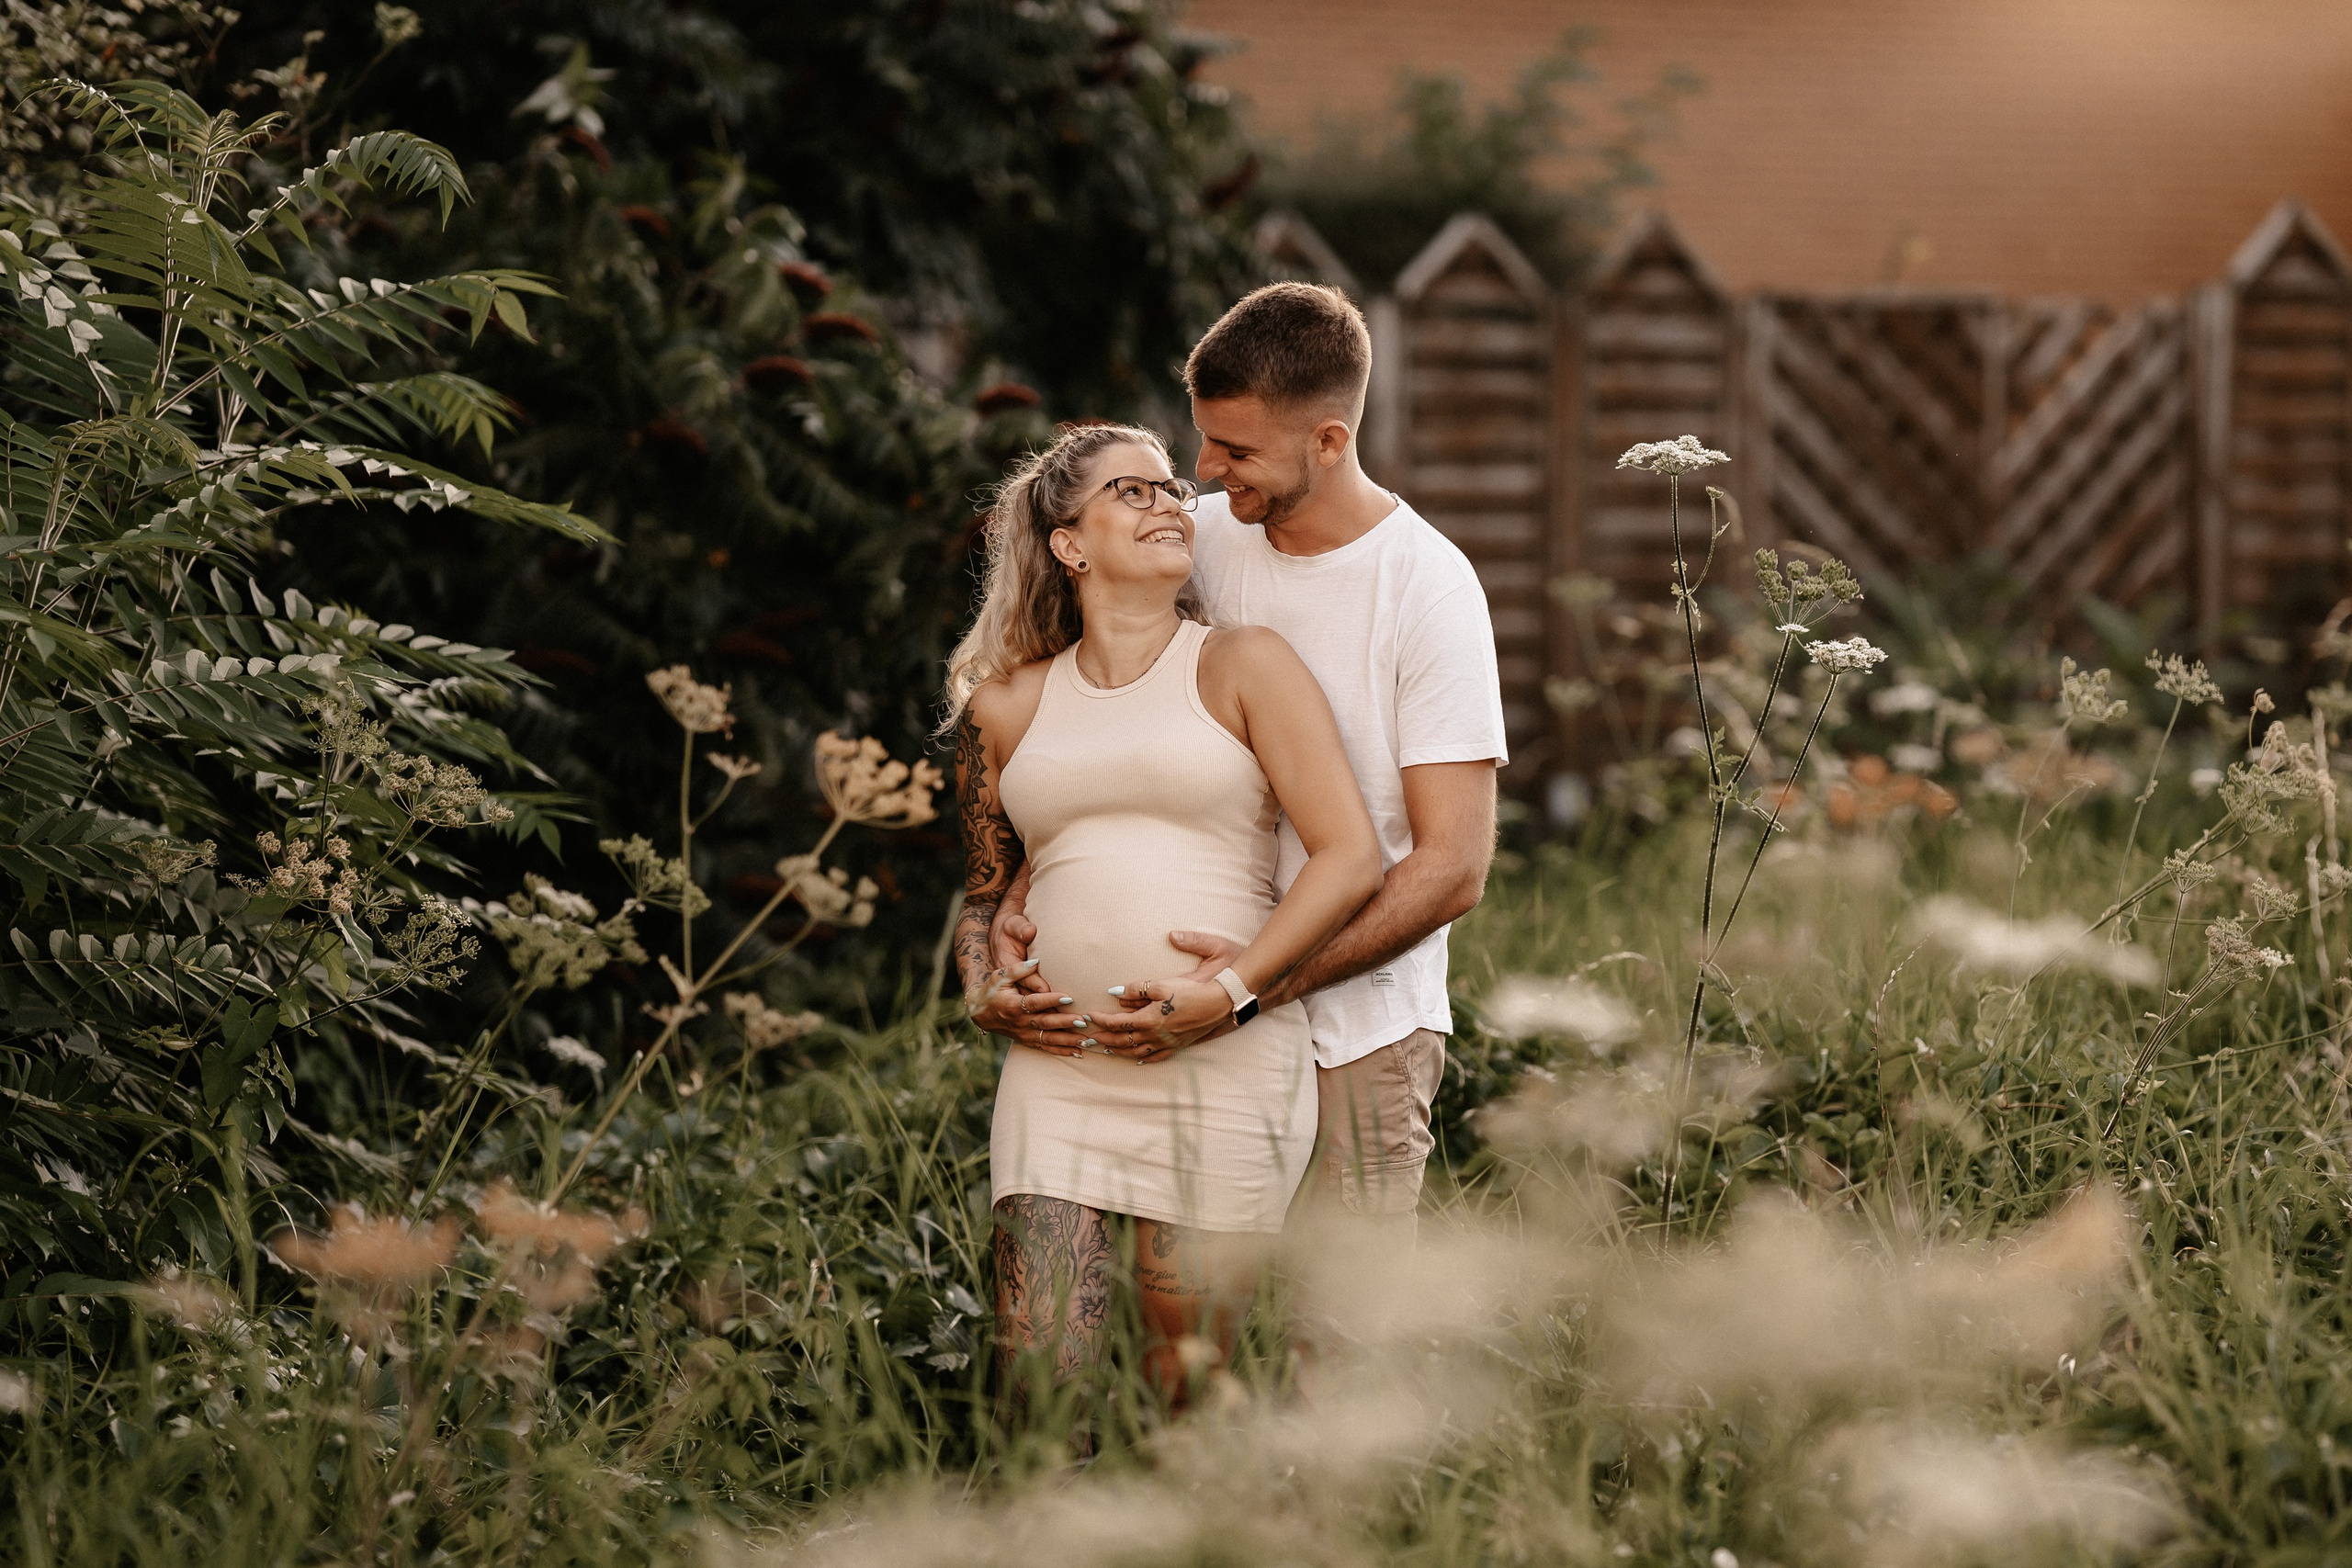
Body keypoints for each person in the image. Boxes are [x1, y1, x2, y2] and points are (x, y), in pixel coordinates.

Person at [986, 282, 1507, 1235]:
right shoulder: (1200, 543)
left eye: (1234, 450)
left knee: (1329, 1345)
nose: (1203, 471)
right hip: (1177, 1035)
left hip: (1356, 1029)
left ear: (1327, 442)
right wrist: (1019, 905)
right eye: (1202, 439)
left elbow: (1451, 867)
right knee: (1189, 1354)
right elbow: (1095, 734)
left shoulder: (1425, 588)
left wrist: (1253, 988)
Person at [946, 420, 1382, 1401]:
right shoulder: (1004, 706)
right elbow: (984, 894)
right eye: (1131, 493)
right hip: (1058, 1071)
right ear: (1067, 544)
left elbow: (1348, 858)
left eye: (1171, 490)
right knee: (1038, 1381)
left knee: (1181, 1382)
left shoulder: (1242, 664)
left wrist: (1231, 990)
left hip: (1219, 1064)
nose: (1170, 505)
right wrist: (982, 987)